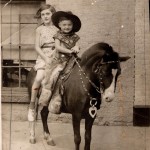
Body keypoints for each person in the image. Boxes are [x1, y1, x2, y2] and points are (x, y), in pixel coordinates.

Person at [38, 11, 81, 114]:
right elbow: (58, 47)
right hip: (59, 61)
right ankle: (48, 98)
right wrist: (69, 51)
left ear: (73, 25)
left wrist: (76, 47)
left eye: (69, 25)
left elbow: (77, 45)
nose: (67, 27)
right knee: (53, 76)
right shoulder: (58, 35)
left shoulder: (75, 37)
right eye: (64, 25)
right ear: (60, 26)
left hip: (72, 60)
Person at [28, 4, 57, 122]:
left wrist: (55, 54)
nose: (45, 16)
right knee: (39, 77)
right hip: (43, 56)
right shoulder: (39, 29)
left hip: (56, 55)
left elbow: (60, 44)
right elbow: (37, 47)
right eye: (43, 14)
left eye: (48, 14)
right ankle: (32, 105)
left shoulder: (57, 29)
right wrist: (45, 58)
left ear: (53, 14)